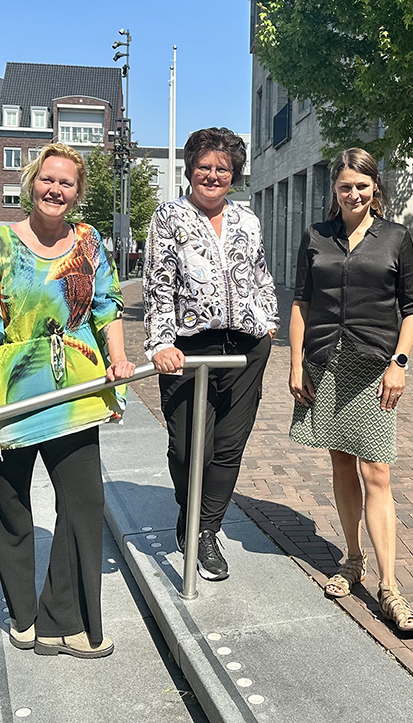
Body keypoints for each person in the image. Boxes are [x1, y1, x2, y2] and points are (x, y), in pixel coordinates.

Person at [0, 143, 135, 658]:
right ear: (31, 184)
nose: (55, 190)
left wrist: (117, 361)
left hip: (74, 391)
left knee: (85, 503)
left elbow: (108, 308)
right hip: (6, 394)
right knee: (9, 508)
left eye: (66, 183)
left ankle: (65, 620)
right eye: (48, 179)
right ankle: (24, 613)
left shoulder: (90, 242)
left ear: (78, 193)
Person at [288, 147, 413, 632]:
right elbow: (301, 303)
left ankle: (390, 586)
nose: (354, 194)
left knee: (378, 471)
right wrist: (295, 363)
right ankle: (351, 558)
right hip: (326, 360)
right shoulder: (315, 237)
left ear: (375, 189)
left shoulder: (396, 237)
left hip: (375, 366)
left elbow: (412, 309)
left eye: (362, 186)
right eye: (345, 186)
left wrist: (399, 363)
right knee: (341, 460)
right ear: (335, 190)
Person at [143, 127, 277, 582]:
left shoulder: (248, 220)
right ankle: (190, 511)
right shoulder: (169, 217)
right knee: (186, 447)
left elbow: (259, 273)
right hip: (188, 348)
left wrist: (269, 318)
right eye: (204, 166)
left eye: (222, 168)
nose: (213, 175)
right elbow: (158, 284)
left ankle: (205, 531)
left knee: (228, 445)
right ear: (189, 169)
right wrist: (161, 341)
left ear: (234, 174)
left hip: (245, 345)